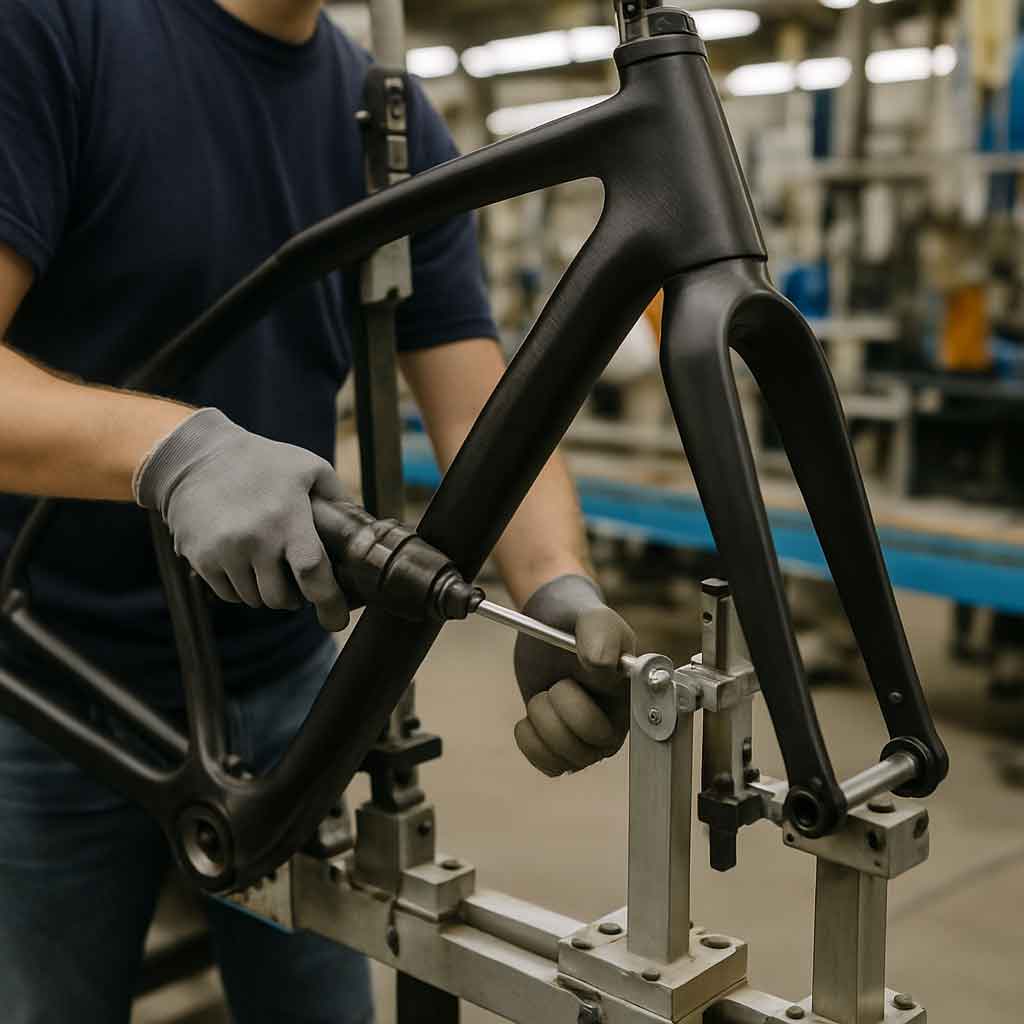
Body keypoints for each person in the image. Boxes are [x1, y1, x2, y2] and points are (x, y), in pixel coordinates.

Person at [0, 1, 636, 1021]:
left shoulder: (386, 121)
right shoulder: (57, 31)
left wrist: (554, 582)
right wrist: (169, 452)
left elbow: (485, 411)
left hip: (290, 696)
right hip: (56, 691)